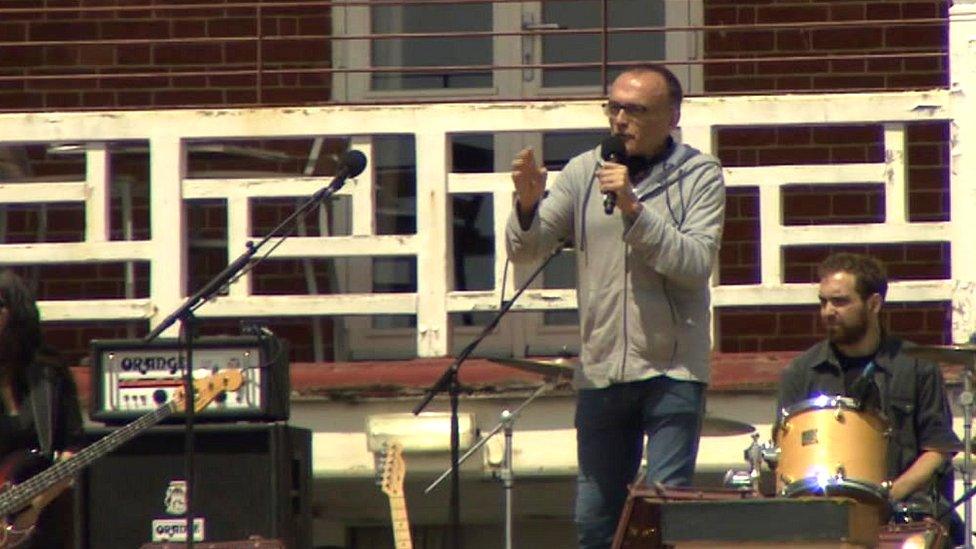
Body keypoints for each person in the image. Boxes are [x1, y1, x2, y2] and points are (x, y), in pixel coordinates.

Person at [505, 64, 725, 549]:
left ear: (671, 116)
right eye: (614, 107)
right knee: (594, 523)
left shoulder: (700, 174)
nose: (620, 119)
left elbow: (693, 263)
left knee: (661, 519)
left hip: (672, 371)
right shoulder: (585, 170)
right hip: (602, 370)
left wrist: (632, 207)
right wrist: (525, 205)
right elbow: (526, 250)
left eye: (635, 110)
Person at [776, 253, 963, 544]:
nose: (827, 311)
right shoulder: (801, 372)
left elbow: (938, 449)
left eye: (840, 301)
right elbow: (783, 460)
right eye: (823, 301)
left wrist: (886, 497)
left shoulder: (917, 367)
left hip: (906, 515)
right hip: (822, 521)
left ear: (874, 304)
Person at [0, 269, 84, 548]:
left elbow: (71, 449)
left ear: (16, 313)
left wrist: (34, 504)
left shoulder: (49, 373)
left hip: (43, 523)